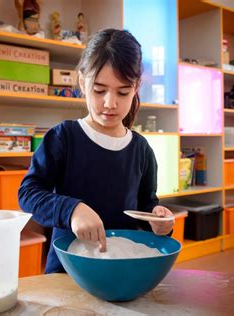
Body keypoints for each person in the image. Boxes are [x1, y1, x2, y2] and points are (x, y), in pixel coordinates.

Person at [18, 29, 174, 274]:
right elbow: (28, 194)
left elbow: (146, 205)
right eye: (99, 90)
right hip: (69, 271)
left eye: (123, 92)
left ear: (136, 87)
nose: (110, 103)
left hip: (122, 269)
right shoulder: (64, 138)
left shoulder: (141, 150)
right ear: (82, 82)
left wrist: (159, 220)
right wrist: (71, 210)